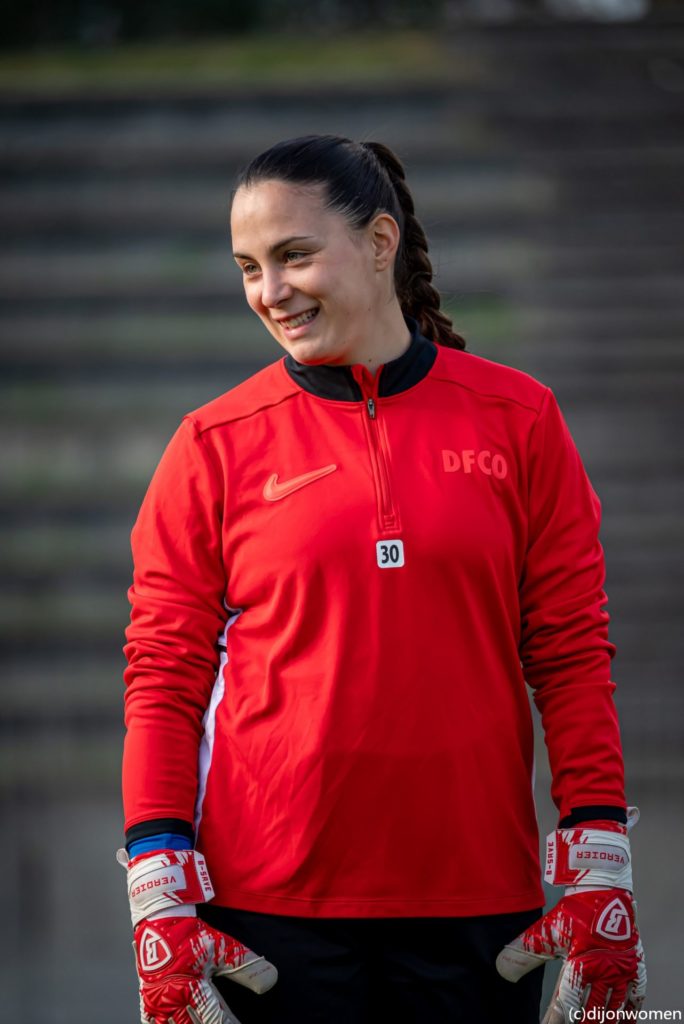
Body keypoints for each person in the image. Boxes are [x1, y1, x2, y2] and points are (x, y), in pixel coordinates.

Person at [119, 135, 646, 1024]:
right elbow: (164, 675)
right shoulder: (211, 443)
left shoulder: (521, 418)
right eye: (248, 267)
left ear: (379, 242)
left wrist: (600, 865)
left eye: (294, 255)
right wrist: (157, 890)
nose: (269, 291)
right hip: (267, 915)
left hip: (481, 907)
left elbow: (571, 652)